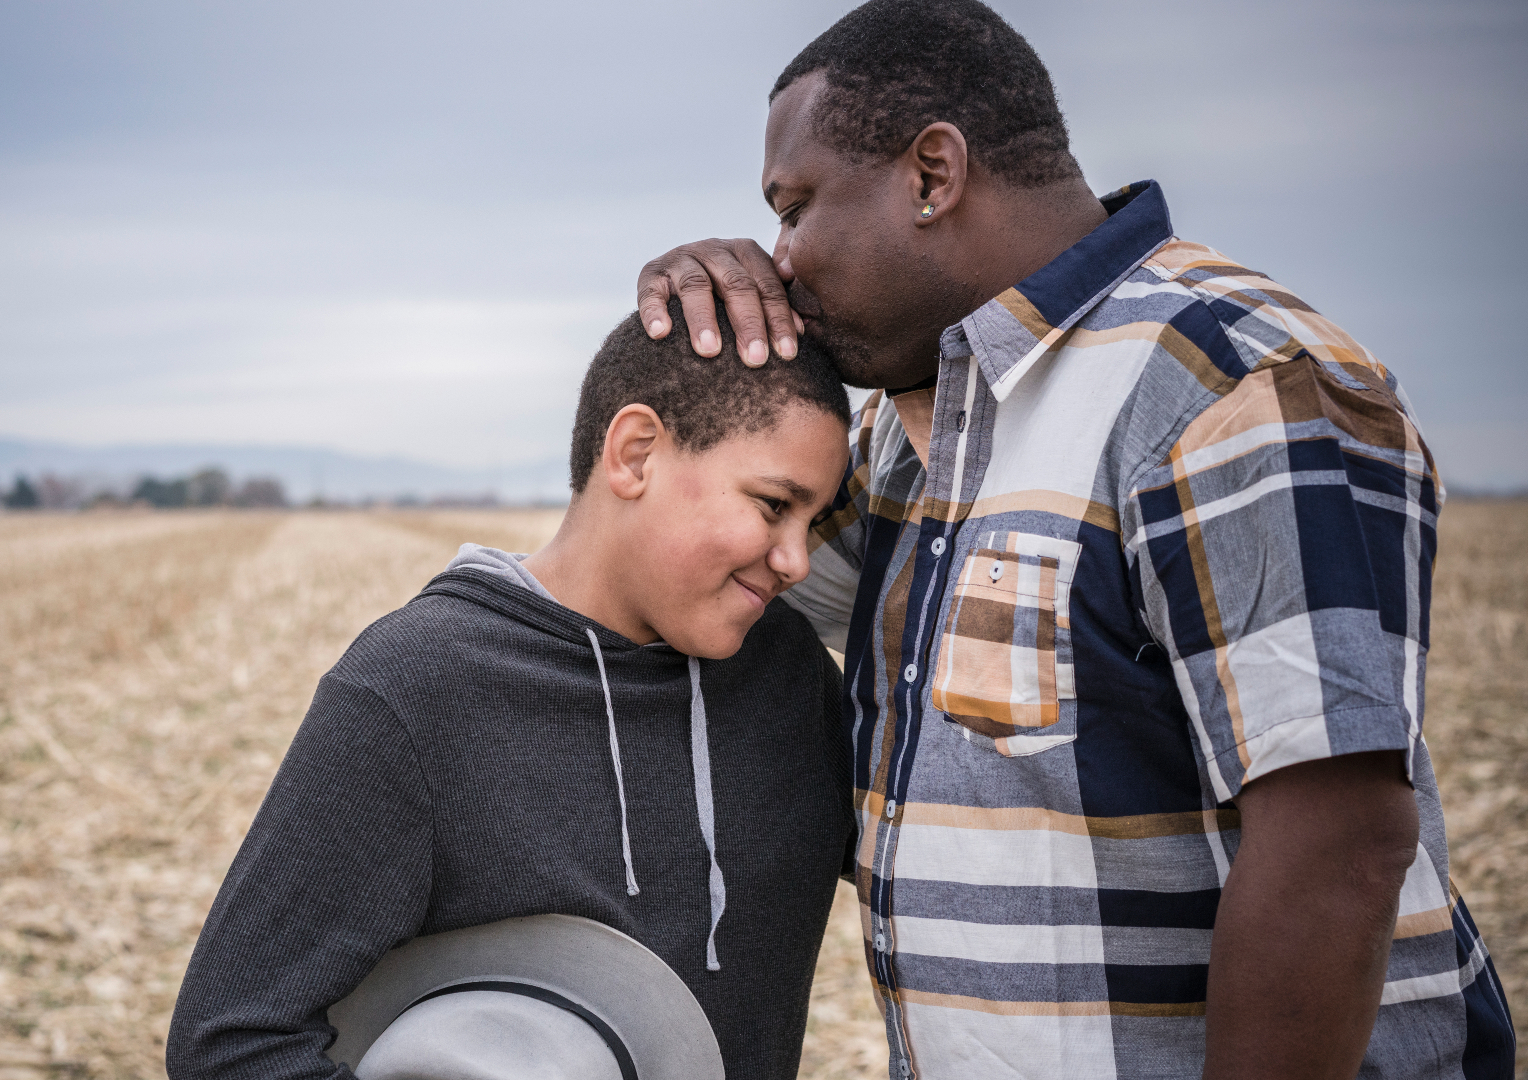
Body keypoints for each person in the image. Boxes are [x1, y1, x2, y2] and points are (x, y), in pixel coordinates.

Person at [631, 2, 1514, 1077]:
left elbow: (1339, 846)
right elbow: (711, 568)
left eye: (795, 206)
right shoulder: (913, 434)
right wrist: (711, 350)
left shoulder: (1231, 385)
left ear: (932, 174)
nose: (782, 256)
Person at [166, 306, 859, 1080]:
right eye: (773, 505)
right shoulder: (415, 690)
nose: (797, 559)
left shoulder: (788, 675)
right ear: (635, 454)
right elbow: (230, 1042)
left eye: (813, 520)